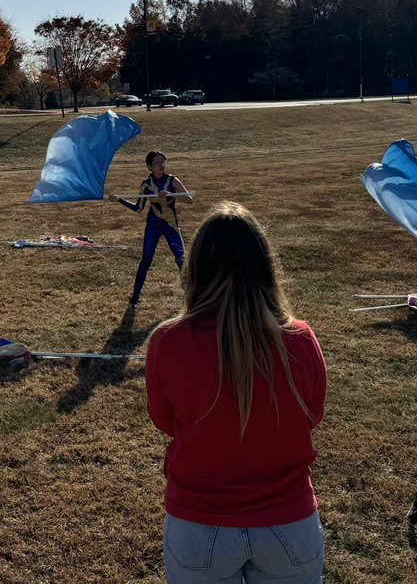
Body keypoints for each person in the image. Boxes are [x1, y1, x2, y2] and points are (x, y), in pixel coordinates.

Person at [145, 202, 327, 584]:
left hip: (198, 526)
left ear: (195, 270)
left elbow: (165, 421)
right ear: (265, 267)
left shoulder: (167, 341)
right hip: (289, 522)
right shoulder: (300, 338)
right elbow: (311, 415)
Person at [110, 150, 193, 307]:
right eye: (157, 162)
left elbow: (189, 200)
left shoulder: (172, 181)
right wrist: (120, 200)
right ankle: (135, 297)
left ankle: (189, 297)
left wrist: (171, 194)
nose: (161, 164)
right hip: (153, 226)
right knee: (146, 260)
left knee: (181, 259)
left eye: (163, 161)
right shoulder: (146, 184)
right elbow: (138, 208)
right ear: (149, 166)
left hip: (171, 225)